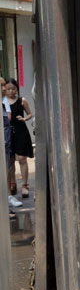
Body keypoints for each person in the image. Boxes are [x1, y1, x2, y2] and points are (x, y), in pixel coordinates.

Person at [4, 79, 33, 198]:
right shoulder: (3, 101)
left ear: (17, 89)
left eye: (13, 89)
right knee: (10, 161)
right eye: (8, 88)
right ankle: (13, 184)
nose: (11, 91)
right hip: (8, 132)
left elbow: (30, 114)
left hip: (21, 131)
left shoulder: (22, 100)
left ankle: (25, 185)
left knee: (22, 158)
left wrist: (24, 119)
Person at [1, 76, 19, 217]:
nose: (4, 89)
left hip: (5, 147)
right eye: (1, 86)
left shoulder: (4, 102)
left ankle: (6, 207)